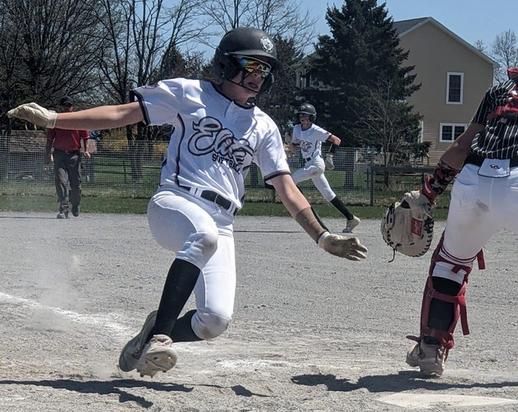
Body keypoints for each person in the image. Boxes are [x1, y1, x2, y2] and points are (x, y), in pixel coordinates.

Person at [8, 27, 368, 378]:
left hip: (223, 220)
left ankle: (153, 331)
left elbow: (288, 188)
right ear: (227, 64)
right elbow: (122, 114)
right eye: (252, 65)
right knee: (203, 236)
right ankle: (162, 338)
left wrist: (322, 237)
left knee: (213, 321)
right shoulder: (189, 93)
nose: (259, 76)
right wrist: (56, 119)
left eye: (266, 69)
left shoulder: (264, 127)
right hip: (175, 202)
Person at [405, 67, 518, 377]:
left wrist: (431, 190)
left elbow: (462, 146)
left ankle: (431, 348)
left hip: (474, 182)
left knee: (450, 264)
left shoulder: (500, 90)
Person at [286, 103, 361, 233]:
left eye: (306, 115)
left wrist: (330, 156)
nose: (303, 117)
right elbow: (294, 147)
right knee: (328, 194)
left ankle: (306, 213)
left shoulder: (316, 130)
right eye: (301, 115)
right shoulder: (297, 129)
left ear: (312, 117)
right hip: (308, 164)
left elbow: (336, 140)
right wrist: (287, 147)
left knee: (291, 181)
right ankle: (351, 218)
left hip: (317, 164)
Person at [45, 96, 91, 218]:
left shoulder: (78, 120)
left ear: (72, 107)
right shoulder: (56, 121)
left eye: (69, 106)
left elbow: (85, 137)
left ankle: (75, 204)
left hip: (74, 155)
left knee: (76, 184)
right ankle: (63, 208)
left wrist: (86, 150)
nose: (68, 108)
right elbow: (49, 139)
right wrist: (47, 154)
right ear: (62, 107)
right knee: (61, 181)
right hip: (59, 154)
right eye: (65, 106)